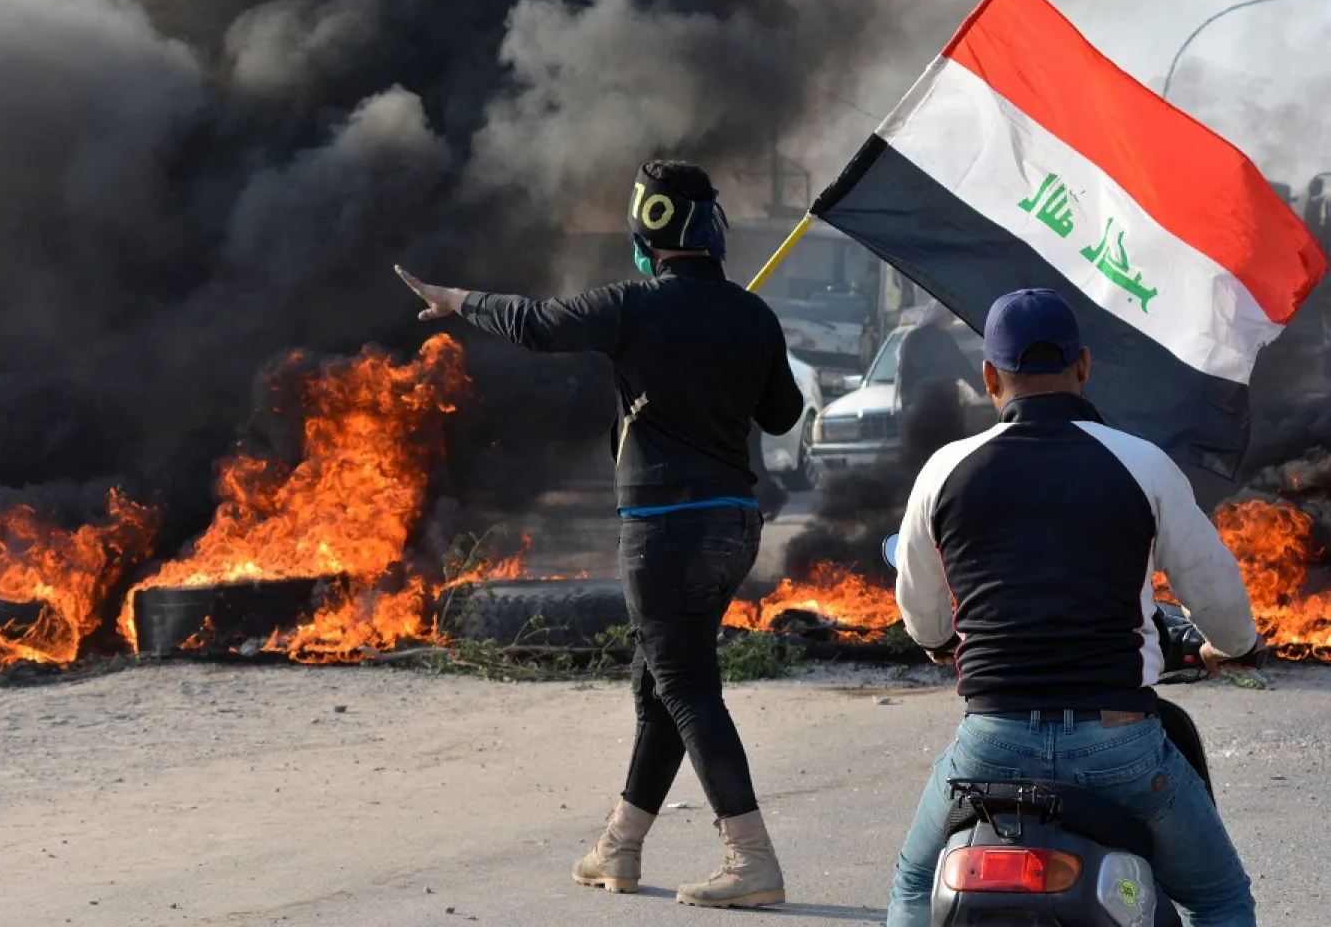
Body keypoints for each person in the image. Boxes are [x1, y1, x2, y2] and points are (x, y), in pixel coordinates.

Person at [396, 160, 803, 908]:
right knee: (660, 687)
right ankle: (619, 846)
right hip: (735, 526)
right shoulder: (752, 315)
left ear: (647, 232)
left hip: (666, 531)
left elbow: (534, 324)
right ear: (712, 230)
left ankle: (752, 858)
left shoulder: (631, 306)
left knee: (683, 686)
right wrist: (738, 352)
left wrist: (457, 300)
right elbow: (782, 416)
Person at [887, 289, 1266, 927]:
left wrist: (936, 640)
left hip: (992, 746)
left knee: (913, 890)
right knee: (1218, 899)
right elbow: (1222, 601)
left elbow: (922, 614)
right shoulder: (1143, 464)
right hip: (1122, 750)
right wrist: (1228, 647)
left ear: (989, 377)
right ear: (1084, 367)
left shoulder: (944, 471)